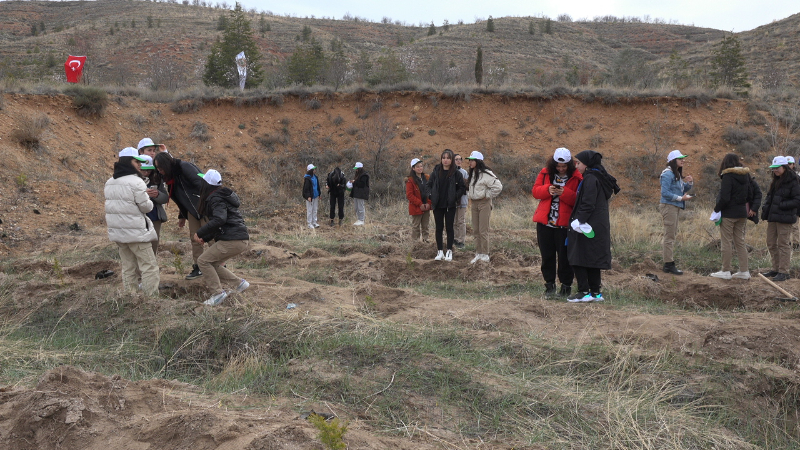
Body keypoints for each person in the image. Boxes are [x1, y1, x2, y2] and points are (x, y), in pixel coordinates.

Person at [104, 147, 159, 296]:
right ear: (129, 162)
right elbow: (146, 207)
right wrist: (149, 199)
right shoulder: (137, 182)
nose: (140, 165)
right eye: (137, 161)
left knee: (128, 267)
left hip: (119, 233)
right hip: (136, 233)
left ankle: (130, 298)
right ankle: (151, 301)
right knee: (149, 266)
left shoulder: (109, 182)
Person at [566, 150, 620, 302]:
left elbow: (588, 203)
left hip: (587, 225)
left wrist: (579, 220)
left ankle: (583, 292)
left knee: (578, 256)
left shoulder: (590, 179)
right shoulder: (599, 177)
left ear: (587, 164)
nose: (576, 165)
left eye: (579, 162)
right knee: (593, 258)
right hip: (598, 225)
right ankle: (595, 293)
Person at [192, 169, 251, 305]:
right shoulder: (222, 197)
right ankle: (239, 284)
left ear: (206, 184)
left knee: (203, 261)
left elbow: (219, 220)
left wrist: (200, 232)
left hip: (233, 239)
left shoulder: (215, 198)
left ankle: (217, 294)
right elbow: (221, 224)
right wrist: (205, 238)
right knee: (211, 262)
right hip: (240, 238)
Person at [532, 147, 582, 297]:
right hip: (545, 223)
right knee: (547, 256)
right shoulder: (545, 172)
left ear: (570, 165)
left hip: (564, 225)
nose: (561, 169)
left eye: (564, 166)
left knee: (565, 258)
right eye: (558, 166)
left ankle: (566, 287)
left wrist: (564, 193)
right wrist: (548, 189)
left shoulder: (578, 177)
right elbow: (535, 191)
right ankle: (549, 286)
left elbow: (579, 200)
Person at [153, 152, 206, 280]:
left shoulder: (184, 167)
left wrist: (207, 203)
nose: (159, 171)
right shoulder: (170, 177)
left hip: (205, 207)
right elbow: (180, 197)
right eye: (157, 169)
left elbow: (201, 183)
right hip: (191, 210)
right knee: (195, 237)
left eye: (160, 168)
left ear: (166, 164)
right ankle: (199, 267)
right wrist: (182, 214)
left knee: (210, 237)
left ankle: (219, 265)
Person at [710, 154, 757, 280]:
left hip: (729, 213)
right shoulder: (746, 175)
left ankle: (726, 270)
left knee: (726, 242)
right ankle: (744, 271)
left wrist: (716, 209)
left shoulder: (727, 176)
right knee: (740, 242)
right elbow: (750, 194)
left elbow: (725, 197)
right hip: (742, 212)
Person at [760, 156, 800, 282]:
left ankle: (784, 271)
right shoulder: (776, 180)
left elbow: (797, 200)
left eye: (777, 168)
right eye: (773, 168)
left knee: (783, 244)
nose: (775, 170)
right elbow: (770, 197)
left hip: (785, 217)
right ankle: (775, 269)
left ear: (784, 167)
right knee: (771, 242)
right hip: (773, 217)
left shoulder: (794, 180)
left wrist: (781, 206)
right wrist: (766, 208)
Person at [427, 149, 466, 261]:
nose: (445, 160)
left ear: (452, 160)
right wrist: (431, 196)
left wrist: (455, 197)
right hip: (438, 205)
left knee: (449, 228)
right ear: (441, 159)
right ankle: (439, 251)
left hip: (450, 205)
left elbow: (462, 187)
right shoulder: (435, 172)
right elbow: (428, 185)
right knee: (438, 228)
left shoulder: (456, 173)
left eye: (448, 158)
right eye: (444, 158)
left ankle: (449, 251)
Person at [660, 149, 694, 275]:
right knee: (669, 236)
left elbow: (681, 189)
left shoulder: (676, 174)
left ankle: (669, 264)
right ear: (674, 161)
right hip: (669, 207)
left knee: (671, 235)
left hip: (673, 207)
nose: (683, 160)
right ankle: (668, 264)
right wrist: (681, 198)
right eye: (680, 159)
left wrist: (689, 183)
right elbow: (665, 193)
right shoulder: (667, 174)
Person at [466, 151, 502, 264]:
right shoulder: (472, 174)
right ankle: (478, 253)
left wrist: (487, 195)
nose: (470, 162)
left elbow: (498, 186)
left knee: (483, 230)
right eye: (470, 160)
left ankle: (485, 254)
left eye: (472, 160)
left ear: (478, 161)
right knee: (475, 230)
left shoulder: (486, 173)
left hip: (484, 203)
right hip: (474, 203)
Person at [139, 155, 169, 256]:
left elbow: (165, 198)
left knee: (153, 244)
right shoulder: (133, 181)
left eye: (149, 170)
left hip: (155, 216)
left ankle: (152, 266)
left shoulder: (157, 179)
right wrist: (144, 193)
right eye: (144, 170)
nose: (147, 172)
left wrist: (157, 195)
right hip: (139, 217)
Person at [406, 158, 432, 242]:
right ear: (413, 168)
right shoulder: (410, 180)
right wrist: (420, 204)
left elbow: (431, 191)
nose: (420, 168)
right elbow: (409, 195)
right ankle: (415, 243)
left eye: (421, 166)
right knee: (416, 226)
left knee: (425, 226)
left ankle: (426, 240)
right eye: (417, 166)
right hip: (416, 206)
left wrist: (428, 203)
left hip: (426, 206)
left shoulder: (427, 177)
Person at [453, 154, 469, 249]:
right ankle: (454, 239)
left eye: (460, 159)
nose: (458, 161)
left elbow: (467, 186)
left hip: (462, 200)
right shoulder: (450, 172)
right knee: (453, 221)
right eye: (456, 159)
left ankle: (461, 241)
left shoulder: (464, 172)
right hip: (452, 201)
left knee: (461, 221)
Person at [303, 164, 321, 229]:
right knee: (310, 210)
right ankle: (309, 223)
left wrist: (319, 194)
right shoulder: (307, 178)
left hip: (315, 196)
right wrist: (308, 196)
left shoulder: (315, 177)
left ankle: (314, 222)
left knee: (315, 209)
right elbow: (306, 189)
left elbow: (317, 186)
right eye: (313, 169)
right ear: (310, 170)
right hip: (310, 197)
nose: (315, 170)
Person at [788, 156, 800, 249]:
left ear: (794, 165)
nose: (788, 166)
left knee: (794, 225)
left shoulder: (797, 177)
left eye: (790, 164)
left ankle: (796, 243)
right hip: (787, 203)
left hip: (796, 204)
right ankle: (787, 242)